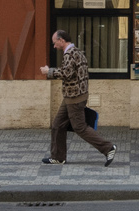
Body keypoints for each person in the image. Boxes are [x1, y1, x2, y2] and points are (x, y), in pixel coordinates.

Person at [39, 29, 115, 166]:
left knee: (80, 127)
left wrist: (48, 71)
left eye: (55, 43)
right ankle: (58, 157)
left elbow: (66, 73)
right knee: (57, 125)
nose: (54, 46)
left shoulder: (69, 54)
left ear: (61, 40)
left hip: (75, 97)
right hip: (73, 96)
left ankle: (108, 148)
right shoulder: (77, 51)